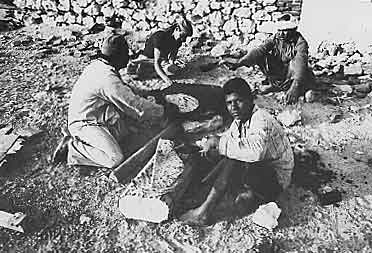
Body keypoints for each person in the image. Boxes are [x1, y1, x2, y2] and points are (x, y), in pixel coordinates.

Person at [180, 77, 294, 226]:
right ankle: (208, 193)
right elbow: (228, 138)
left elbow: (256, 152)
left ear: (250, 100)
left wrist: (220, 144)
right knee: (228, 152)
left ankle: (204, 212)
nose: (233, 107)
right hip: (259, 170)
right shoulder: (240, 120)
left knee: (233, 158)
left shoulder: (261, 119)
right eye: (229, 103)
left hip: (276, 179)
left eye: (238, 101)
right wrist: (211, 143)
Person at [51, 34, 165, 168]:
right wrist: (162, 110)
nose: (127, 58)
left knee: (130, 130)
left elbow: (125, 90)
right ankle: (72, 148)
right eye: (125, 54)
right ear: (117, 57)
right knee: (115, 158)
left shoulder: (100, 65)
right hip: (85, 123)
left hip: (98, 115)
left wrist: (146, 94)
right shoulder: (106, 78)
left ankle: (91, 139)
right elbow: (134, 105)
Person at [220, 14, 316, 104]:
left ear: (294, 30)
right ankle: (275, 85)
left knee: (294, 63)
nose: (281, 33)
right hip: (280, 73)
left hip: (293, 75)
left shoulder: (301, 43)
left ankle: (294, 88)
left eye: (285, 30)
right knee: (262, 55)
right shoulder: (276, 38)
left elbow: (300, 64)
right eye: (280, 30)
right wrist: (239, 63)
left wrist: (295, 87)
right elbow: (259, 50)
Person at [126, 13, 193, 85]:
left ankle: (154, 72)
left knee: (172, 70)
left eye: (185, 37)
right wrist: (167, 80)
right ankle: (135, 63)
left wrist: (171, 65)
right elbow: (156, 62)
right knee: (139, 72)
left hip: (162, 60)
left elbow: (171, 59)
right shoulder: (160, 36)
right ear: (176, 29)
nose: (183, 39)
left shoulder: (178, 41)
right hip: (148, 58)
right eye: (183, 35)